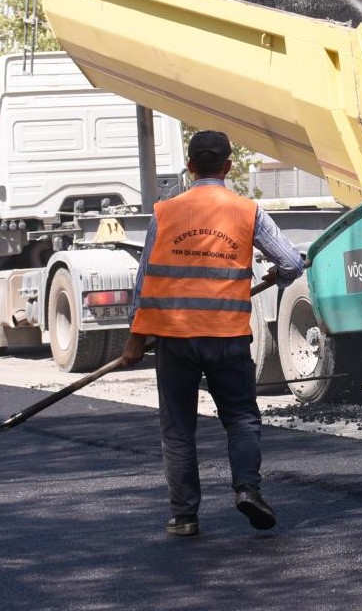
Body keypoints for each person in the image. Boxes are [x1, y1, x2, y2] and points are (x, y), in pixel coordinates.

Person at [120, 130, 305, 539]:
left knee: (179, 426)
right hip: (227, 336)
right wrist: (281, 275)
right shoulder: (246, 210)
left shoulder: (165, 212)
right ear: (227, 167)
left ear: (189, 166)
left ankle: (184, 516)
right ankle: (247, 488)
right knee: (240, 418)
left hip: (175, 339)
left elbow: (144, 278)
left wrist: (136, 338)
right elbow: (292, 261)